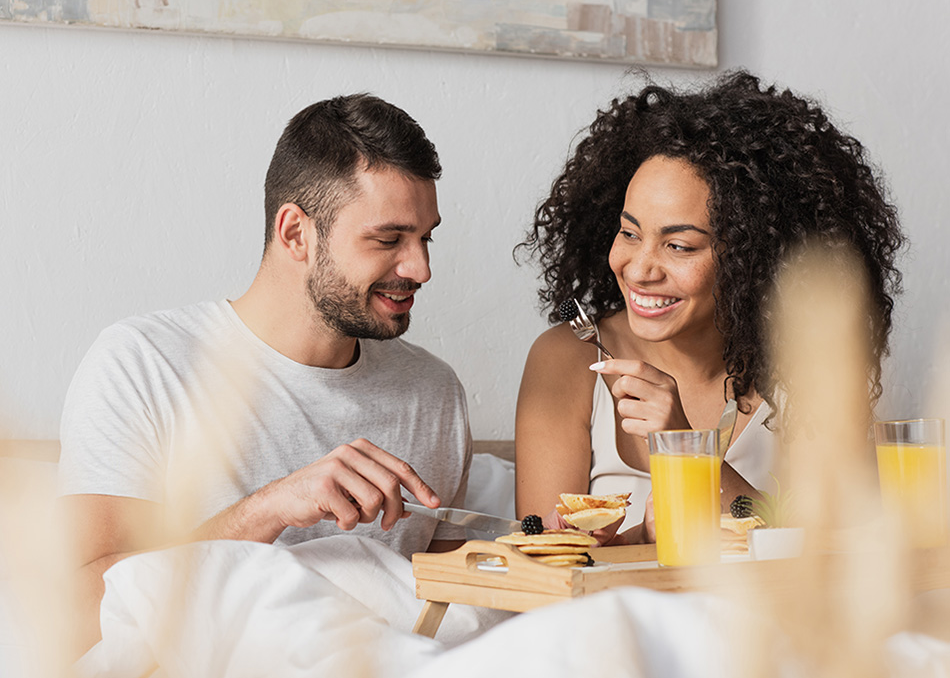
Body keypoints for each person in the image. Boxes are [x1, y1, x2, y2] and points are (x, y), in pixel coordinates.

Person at [58, 93, 471, 653]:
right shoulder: (143, 366)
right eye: (388, 239)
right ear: (296, 233)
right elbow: (75, 611)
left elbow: (453, 618)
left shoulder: (434, 394)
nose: (420, 267)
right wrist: (268, 509)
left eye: (426, 237)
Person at [515, 70, 904, 544]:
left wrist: (690, 456)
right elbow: (544, 567)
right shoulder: (568, 359)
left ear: (752, 258)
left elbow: (828, 555)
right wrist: (643, 536)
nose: (639, 269)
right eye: (630, 233)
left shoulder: (810, 371)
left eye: (679, 246)